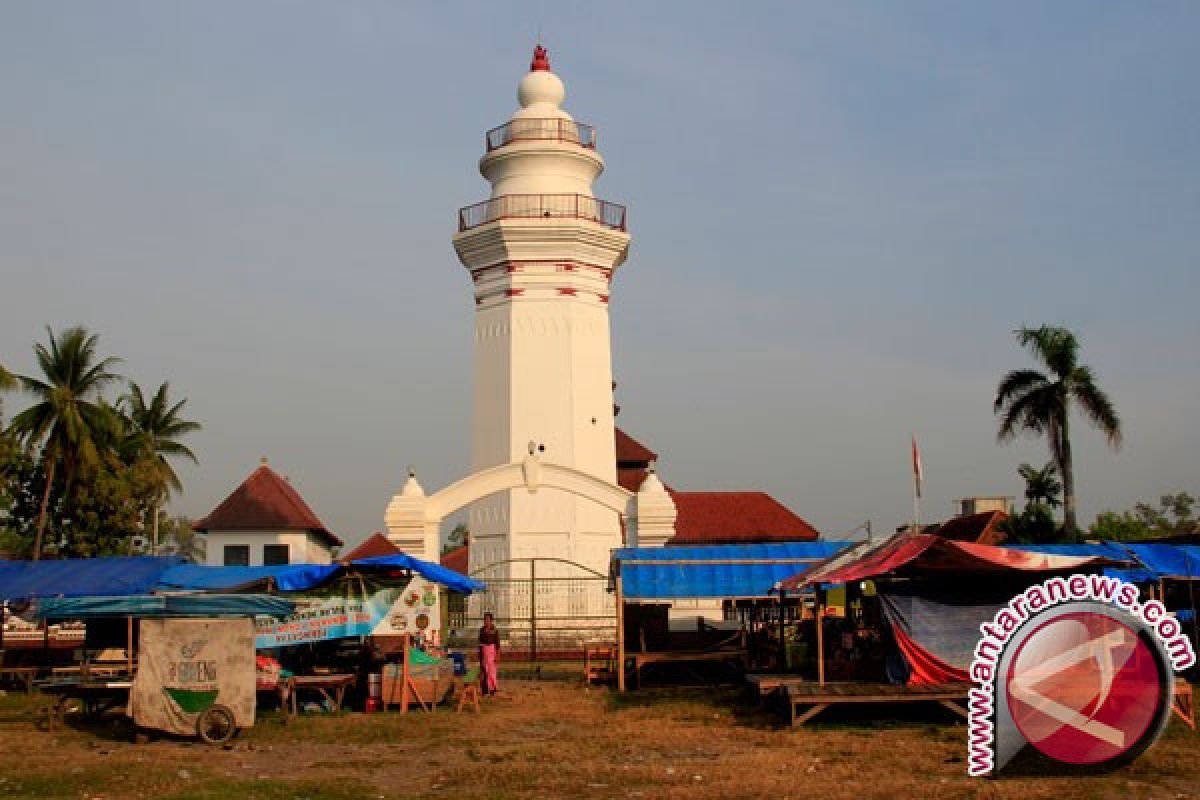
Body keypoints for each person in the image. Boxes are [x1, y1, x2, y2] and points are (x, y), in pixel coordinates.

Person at [478, 612, 500, 695]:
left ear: (491, 621)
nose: (486, 621)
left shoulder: (495, 631)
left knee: (492, 672)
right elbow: (480, 643)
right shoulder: (482, 630)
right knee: (484, 671)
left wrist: (497, 656)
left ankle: (492, 689)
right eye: (485, 620)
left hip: (492, 653)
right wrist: (481, 656)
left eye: (488, 620)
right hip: (483, 652)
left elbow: (497, 645)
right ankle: (484, 690)